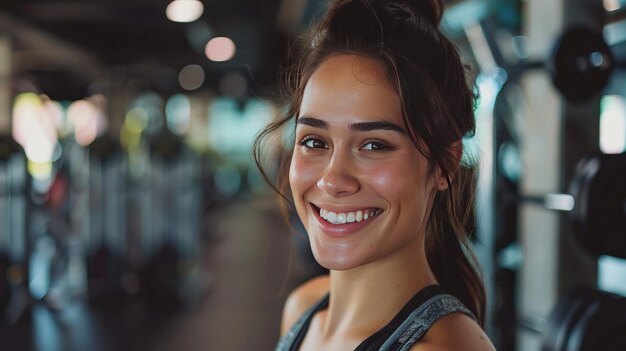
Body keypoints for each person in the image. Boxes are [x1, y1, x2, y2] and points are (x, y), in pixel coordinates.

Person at [254, 0, 496, 349]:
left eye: (374, 146)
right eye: (314, 141)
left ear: (445, 163)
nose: (332, 180)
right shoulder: (303, 309)